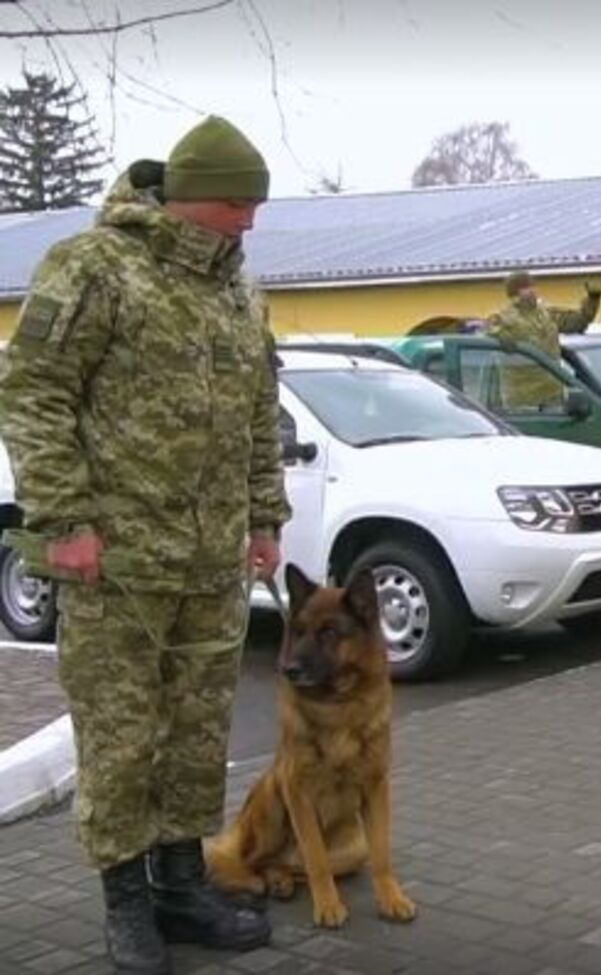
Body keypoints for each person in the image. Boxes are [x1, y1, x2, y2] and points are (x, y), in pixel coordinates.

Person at [0, 116, 291, 973]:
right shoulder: (92, 266)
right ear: (191, 194)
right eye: (238, 203)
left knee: (199, 730)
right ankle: (125, 903)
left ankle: (180, 885)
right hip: (114, 562)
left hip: (208, 564)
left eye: (256, 205)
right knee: (122, 737)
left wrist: (264, 519)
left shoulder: (241, 290)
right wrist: (65, 521)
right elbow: (34, 394)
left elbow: (256, 417)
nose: (249, 221)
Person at [484, 271, 601, 409]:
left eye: (533, 286)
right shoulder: (503, 318)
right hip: (522, 400)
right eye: (526, 287)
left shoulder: (546, 313)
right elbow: (489, 333)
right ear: (515, 292)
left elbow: (577, 322)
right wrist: (503, 336)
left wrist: (592, 300)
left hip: (553, 395)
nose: (533, 290)